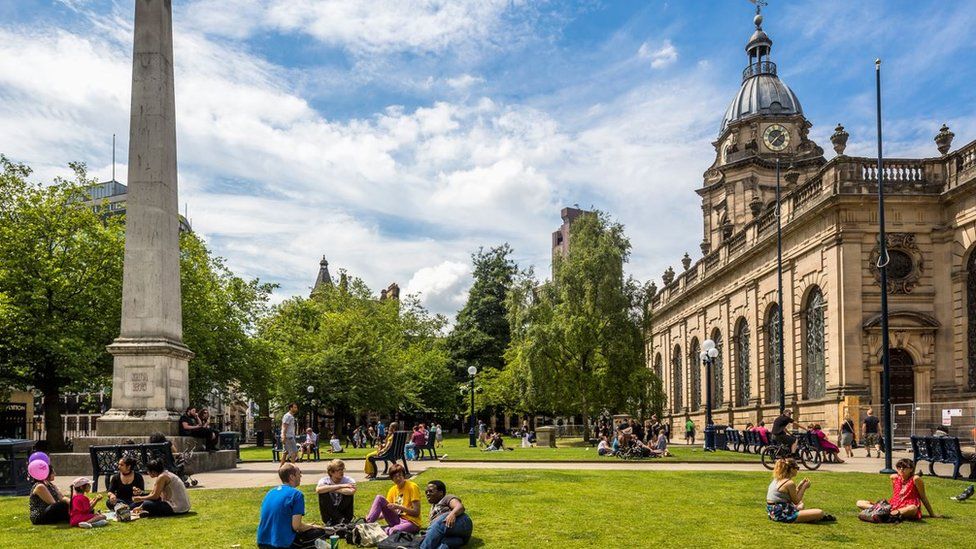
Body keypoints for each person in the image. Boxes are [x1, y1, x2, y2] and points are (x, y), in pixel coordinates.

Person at [257, 463, 328, 549]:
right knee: (318, 533)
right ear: (292, 476)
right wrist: (313, 526)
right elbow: (297, 526)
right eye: (299, 473)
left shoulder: (270, 492)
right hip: (281, 544)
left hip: (262, 542)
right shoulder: (296, 495)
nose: (301, 476)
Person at [856, 458, 937, 520]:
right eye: (899, 467)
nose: (901, 469)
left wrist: (932, 514)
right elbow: (896, 495)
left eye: (905, 467)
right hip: (893, 506)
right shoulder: (894, 477)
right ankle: (883, 513)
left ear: (911, 469)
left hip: (908, 507)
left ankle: (883, 514)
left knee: (913, 508)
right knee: (859, 502)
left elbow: (923, 497)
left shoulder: (916, 479)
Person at [765, 458, 833, 523]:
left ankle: (807, 516)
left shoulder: (777, 479)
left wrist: (799, 486)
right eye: (797, 468)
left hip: (773, 512)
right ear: (791, 469)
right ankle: (811, 517)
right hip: (782, 514)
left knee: (801, 505)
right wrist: (804, 487)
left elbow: (790, 496)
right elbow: (796, 501)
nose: (797, 470)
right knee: (819, 512)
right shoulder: (789, 483)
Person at [365, 464, 422, 535]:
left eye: (400, 475)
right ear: (392, 478)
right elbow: (387, 511)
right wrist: (374, 516)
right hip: (397, 520)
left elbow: (416, 512)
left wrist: (398, 507)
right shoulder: (392, 490)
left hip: (411, 522)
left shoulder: (412, 487)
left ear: (404, 476)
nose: (398, 478)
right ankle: (367, 523)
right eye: (395, 477)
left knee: (394, 531)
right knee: (379, 498)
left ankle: (384, 531)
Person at [420, 480, 473, 549]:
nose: (427, 493)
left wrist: (452, 514)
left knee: (439, 522)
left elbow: (460, 507)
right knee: (442, 544)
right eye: (426, 492)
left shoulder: (447, 498)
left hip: (462, 522)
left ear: (441, 493)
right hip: (458, 536)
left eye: (431, 491)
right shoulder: (433, 507)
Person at [316, 459, 356, 526]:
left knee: (347, 494)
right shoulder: (324, 480)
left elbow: (352, 491)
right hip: (329, 516)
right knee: (323, 494)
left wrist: (331, 488)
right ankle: (339, 518)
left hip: (345, 514)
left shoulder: (348, 480)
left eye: (342, 469)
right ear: (331, 472)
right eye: (338, 470)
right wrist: (341, 486)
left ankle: (340, 518)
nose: (341, 472)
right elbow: (318, 490)